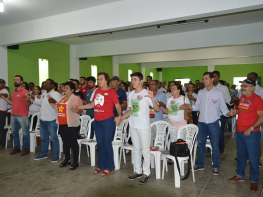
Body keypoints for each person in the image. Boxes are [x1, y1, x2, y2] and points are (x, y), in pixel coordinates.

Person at [74, 72, 122, 176]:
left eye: (101, 79)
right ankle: (100, 165)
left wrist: (119, 116)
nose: (99, 81)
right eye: (98, 79)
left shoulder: (112, 92)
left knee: (107, 143)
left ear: (106, 81)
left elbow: (117, 106)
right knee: (99, 144)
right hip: (97, 121)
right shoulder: (97, 91)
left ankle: (109, 166)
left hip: (108, 121)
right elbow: (92, 104)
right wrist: (79, 107)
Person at [187, 72, 236, 175]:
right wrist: (191, 107)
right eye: (203, 79)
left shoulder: (218, 93)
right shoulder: (201, 92)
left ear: (212, 79)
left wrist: (228, 113)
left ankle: (215, 166)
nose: (204, 80)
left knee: (215, 145)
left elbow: (223, 108)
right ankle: (200, 164)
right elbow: (197, 106)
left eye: (206, 78)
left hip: (213, 122)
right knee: (201, 144)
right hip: (201, 122)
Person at [122, 72, 160, 184]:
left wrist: (152, 98)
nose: (133, 81)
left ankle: (146, 172)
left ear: (141, 81)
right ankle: (138, 171)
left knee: (145, 150)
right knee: (136, 149)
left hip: (143, 126)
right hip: (133, 124)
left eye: (135, 79)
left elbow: (157, 109)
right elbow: (130, 110)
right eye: (132, 79)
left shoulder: (146, 93)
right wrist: (121, 118)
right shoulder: (131, 94)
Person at [228, 78, 263, 193]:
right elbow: (242, 109)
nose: (243, 88)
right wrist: (235, 111)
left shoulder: (257, 99)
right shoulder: (242, 97)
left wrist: (251, 128)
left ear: (253, 87)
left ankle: (254, 181)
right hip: (240, 132)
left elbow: (261, 117)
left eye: (246, 86)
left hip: (252, 133)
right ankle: (240, 175)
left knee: (253, 158)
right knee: (241, 155)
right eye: (242, 86)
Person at [52, 82, 83, 170]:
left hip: (71, 123)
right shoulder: (62, 98)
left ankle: (75, 161)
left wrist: (76, 110)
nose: (64, 89)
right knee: (65, 142)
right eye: (64, 88)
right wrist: (51, 103)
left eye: (67, 88)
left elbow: (81, 111)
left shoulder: (76, 98)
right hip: (62, 123)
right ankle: (67, 159)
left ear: (72, 90)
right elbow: (59, 109)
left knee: (73, 142)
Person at [33, 79, 61, 162]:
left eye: (48, 83)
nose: (46, 85)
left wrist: (54, 102)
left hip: (51, 119)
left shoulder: (56, 94)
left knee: (53, 138)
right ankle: (43, 154)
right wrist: (33, 98)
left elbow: (59, 105)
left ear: (53, 85)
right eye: (45, 83)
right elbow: (41, 103)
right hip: (43, 119)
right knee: (44, 138)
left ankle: (56, 155)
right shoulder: (44, 94)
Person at [2, 75, 31, 156]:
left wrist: (28, 99)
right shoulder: (14, 92)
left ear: (21, 82)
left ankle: (26, 148)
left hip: (22, 115)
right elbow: (12, 103)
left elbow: (28, 104)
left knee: (25, 133)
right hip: (14, 115)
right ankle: (17, 147)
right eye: (14, 80)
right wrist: (4, 98)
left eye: (17, 80)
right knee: (14, 133)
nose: (15, 81)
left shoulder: (25, 92)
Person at [212, 71, 233, 160]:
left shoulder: (223, 88)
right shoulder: (208, 88)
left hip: (220, 114)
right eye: (212, 77)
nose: (213, 78)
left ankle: (221, 151)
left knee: (220, 133)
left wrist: (234, 100)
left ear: (219, 78)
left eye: (215, 76)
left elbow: (228, 100)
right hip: (210, 114)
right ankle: (211, 149)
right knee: (210, 133)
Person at [0, 79, 9, 150]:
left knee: (1, 128)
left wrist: (1, 95)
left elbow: (5, 95)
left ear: (4, 84)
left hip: (2, 111)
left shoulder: (5, 90)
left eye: (0, 83)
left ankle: (2, 144)